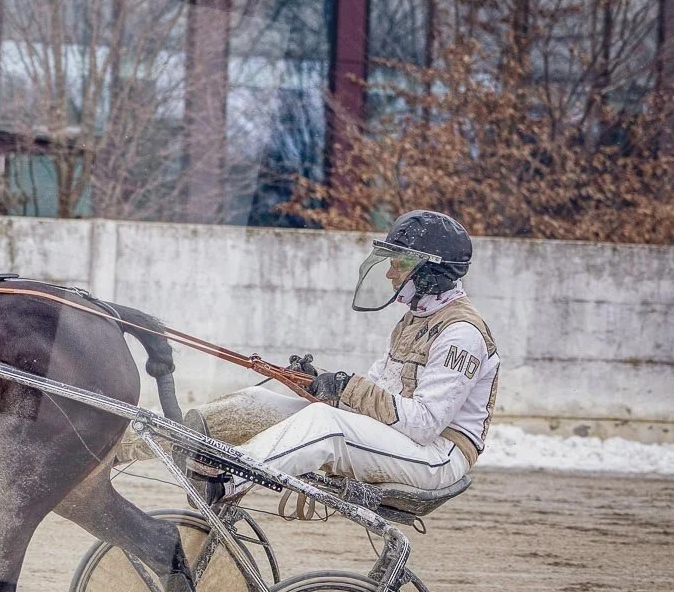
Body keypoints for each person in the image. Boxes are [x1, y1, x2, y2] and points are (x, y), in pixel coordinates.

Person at [188, 210, 500, 506]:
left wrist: (346, 388)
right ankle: (184, 440)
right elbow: (377, 393)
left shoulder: (461, 333)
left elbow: (423, 424)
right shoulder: (414, 320)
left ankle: (228, 480)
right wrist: (321, 382)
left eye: (400, 265)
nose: (390, 273)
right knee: (258, 399)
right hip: (405, 441)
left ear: (433, 273)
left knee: (326, 424)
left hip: (438, 456)